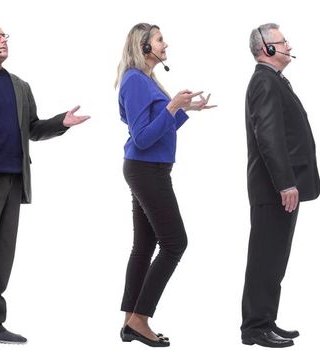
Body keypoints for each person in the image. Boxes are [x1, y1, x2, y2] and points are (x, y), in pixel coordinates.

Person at [0, 22, 90, 349]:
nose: (3, 40)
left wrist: (60, 123)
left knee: (2, 255)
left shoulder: (20, 85)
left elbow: (33, 128)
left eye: (4, 35)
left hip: (14, 176)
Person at [113, 23, 214, 347]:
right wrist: (172, 106)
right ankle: (141, 318)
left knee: (144, 245)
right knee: (175, 243)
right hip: (147, 170)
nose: (165, 43)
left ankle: (130, 320)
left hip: (148, 167)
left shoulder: (143, 79)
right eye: (159, 39)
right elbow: (142, 137)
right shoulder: (135, 81)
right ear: (144, 46)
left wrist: (183, 109)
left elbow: (157, 131)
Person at [240, 23, 319, 349]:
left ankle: (266, 320)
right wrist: (286, 183)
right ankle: (255, 328)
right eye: (281, 41)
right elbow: (269, 137)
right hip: (274, 189)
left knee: (274, 260)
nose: (288, 44)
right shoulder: (264, 82)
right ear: (266, 49)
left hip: (281, 189)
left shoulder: (272, 81)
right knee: (264, 259)